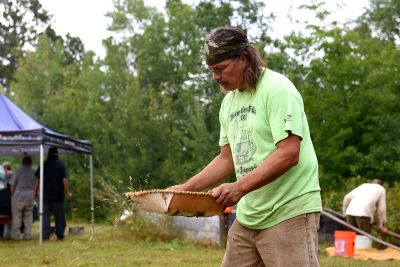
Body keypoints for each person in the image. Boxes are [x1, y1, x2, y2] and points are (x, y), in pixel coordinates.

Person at [169, 26, 322, 266]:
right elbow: (226, 159)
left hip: (288, 210)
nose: (215, 77)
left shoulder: (278, 89)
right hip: (250, 215)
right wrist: (184, 190)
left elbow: (289, 153)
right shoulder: (229, 103)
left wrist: (238, 188)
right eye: (211, 71)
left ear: (243, 59)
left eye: (220, 69)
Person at [34, 147, 72, 241]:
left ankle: (45, 236)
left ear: (48, 155)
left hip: (45, 196)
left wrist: (36, 192)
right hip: (58, 196)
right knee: (59, 217)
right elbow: (65, 180)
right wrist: (68, 192)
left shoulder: (43, 165)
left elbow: (37, 180)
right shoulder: (60, 165)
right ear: (57, 155)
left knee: (45, 217)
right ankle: (60, 235)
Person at [9, 156, 36, 240]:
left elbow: (12, 186)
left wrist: (12, 195)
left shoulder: (18, 171)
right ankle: (28, 235)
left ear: (22, 162)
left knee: (17, 216)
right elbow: (36, 185)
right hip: (30, 195)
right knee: (28, 216)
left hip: (19, 195)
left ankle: (16, 236)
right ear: (30, 163)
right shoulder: (34, 172)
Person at [1, 162, 13, 239]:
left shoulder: (2, 192)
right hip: (11, 211)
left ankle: (2, 235)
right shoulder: (14, 193)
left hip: (3, 211)